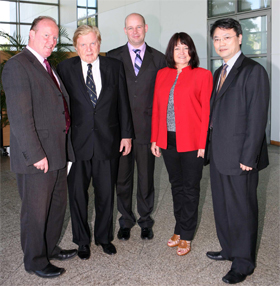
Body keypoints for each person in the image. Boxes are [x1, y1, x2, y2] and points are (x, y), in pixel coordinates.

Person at [1, 16, 77, 278]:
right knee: (35, 212)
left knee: (56, 206)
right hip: (37, 157)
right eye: (46, 35)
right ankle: (34, 260)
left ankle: (48, 248)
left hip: (57, 152)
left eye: (54, 37)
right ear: (31, 35)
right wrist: (35, 155)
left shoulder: (46, 65)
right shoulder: (18, 66)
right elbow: (21, 118)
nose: (51, 42)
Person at [56, 25, 134, 259]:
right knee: (78, 196)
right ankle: (81, 241)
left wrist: (127, 134)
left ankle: (103, 238)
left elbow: (123, 102)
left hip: (107, 142)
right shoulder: (64, 68)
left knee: (105, 194)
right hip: (76, 146)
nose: (88, 49)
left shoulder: (114, 67)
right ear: (76, 47)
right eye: (83, 44)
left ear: (99, 44)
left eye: (92, 43)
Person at [204, 18, 270, 284]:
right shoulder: (218, 72)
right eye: (217, 39)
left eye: (227, 37)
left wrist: (248, 157)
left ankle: (243, 263)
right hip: (220, 154)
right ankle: (229, 248)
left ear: (240, 38)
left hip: (240, 156)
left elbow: (257, 118)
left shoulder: (253, 71)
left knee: (242, 209)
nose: (221, 43)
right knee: (222, 207)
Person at [151, 32, 213, 256]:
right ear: (171, 51)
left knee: (190, 188)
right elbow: (157, 108)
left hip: (192, 141)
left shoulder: (203, 75)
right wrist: (155, 139)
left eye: (186, 48)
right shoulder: (162, 74)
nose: (182, 53)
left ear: (192, 52)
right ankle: (179, 227)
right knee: (176, 186)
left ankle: (186, 234)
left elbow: (206, 112)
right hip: (167, 140)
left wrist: (203, 142)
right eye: (177, 48)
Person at [107, 13, 166, 241]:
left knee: (146, 178)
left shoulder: (159, 59)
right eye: (130, 28)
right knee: (122, 178)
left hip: (147, 132)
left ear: (146, 28)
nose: (135, 31)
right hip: (121, 132)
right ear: (125, 30)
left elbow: (162, 100)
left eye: (138, 27)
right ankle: (125, 220)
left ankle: (145, 220)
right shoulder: (112, 57)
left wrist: (159, 135)